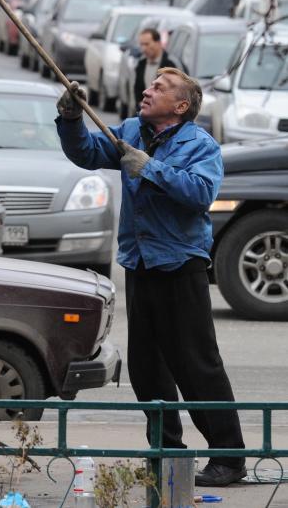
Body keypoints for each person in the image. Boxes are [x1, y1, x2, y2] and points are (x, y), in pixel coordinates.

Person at [55, 68, 246, 487]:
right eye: (150, 84)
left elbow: (201, 194)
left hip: (180, 266)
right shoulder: (130, 130)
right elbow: (86, 153)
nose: (147, 89)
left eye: (159, 88)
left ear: (181, 106)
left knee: (197, 366)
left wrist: (151, 168)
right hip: (140, 264)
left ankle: (229, 459)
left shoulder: (200, 145)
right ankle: (168, 453)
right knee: (147, 369)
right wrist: (71, 119)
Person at [133, 28, 177, 112]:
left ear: (158, 43)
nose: (144, 49)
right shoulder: (140, 64)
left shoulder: (171, 64)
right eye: (141, 45)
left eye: (147, 44)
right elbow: (137, 89)